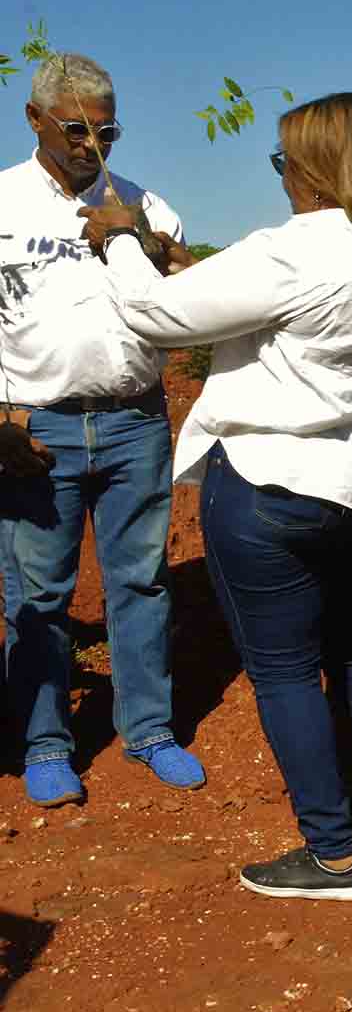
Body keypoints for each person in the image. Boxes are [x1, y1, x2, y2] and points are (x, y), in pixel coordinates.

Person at [82, 91, 352, 901]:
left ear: (314, 170)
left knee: (281, 672)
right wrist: (183, 262)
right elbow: (266, 310)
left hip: (270, 483)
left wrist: (121, 241)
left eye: (285, 163)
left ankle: (334, 853)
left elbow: (154, 317)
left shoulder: (288, 249)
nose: (282, 180)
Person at [0, 51, 202, 807]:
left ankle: (149, 729)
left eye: (107, 130)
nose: (94, 145)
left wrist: (143, 238)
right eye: (77, 128)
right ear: (35, 119)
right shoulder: (4, 204)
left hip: (133, 423)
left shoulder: (147, 201)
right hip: (35, 428)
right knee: (38, 591)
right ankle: (46, 737)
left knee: (141, 581)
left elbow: (191, 295)